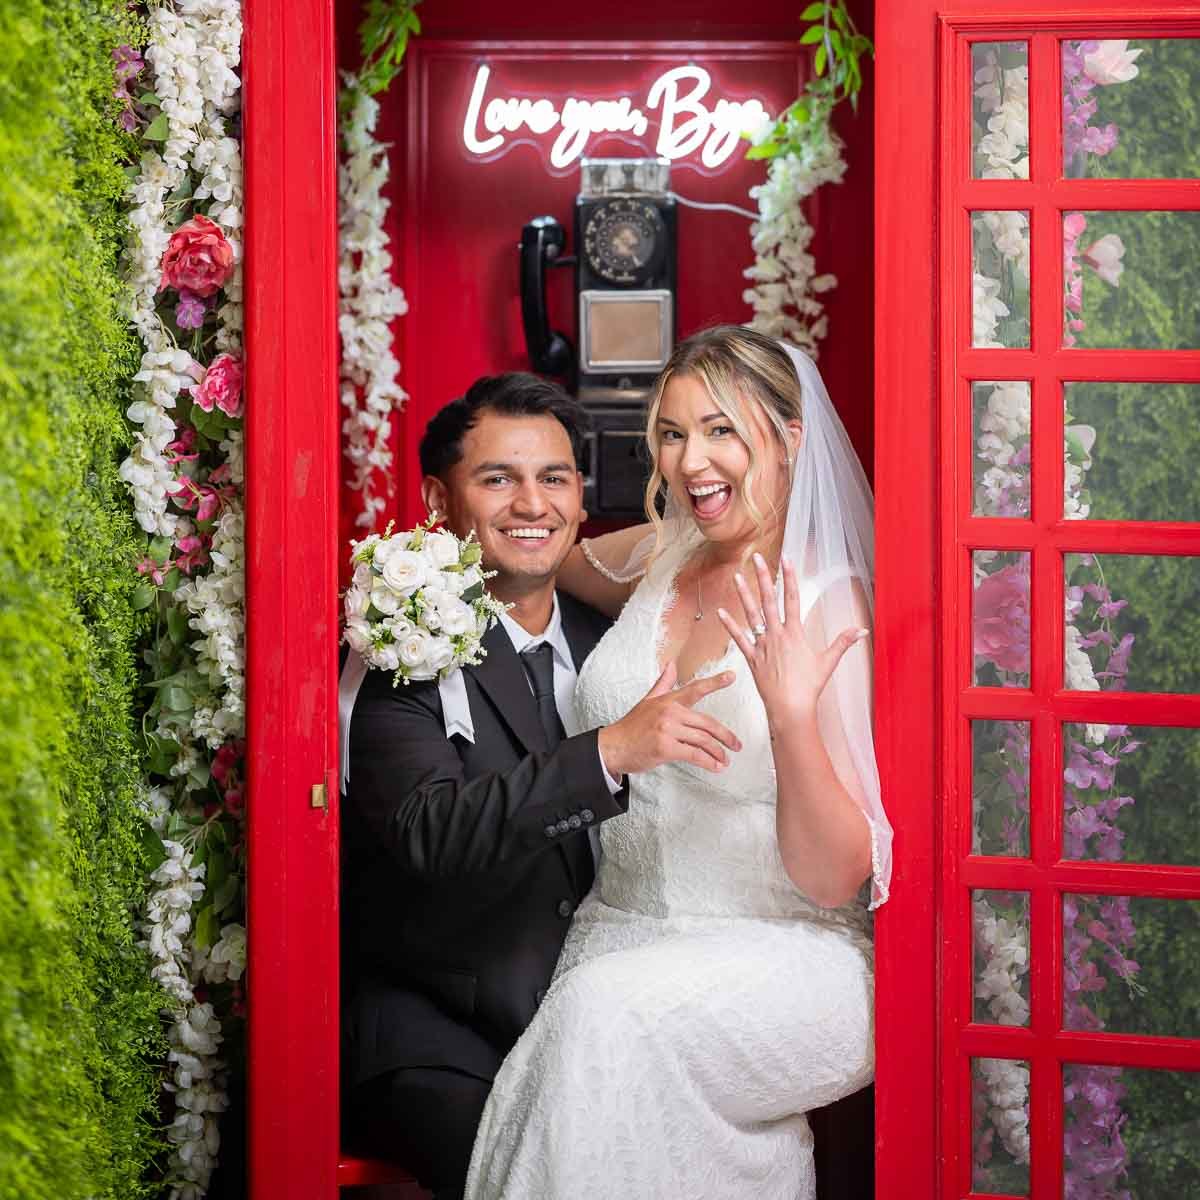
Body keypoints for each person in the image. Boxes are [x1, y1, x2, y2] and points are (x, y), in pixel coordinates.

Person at [464, 326, 893, 1200]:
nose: (690, 459)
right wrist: (412, 591)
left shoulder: (828, 598)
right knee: (613, 1050)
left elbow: (838, 876)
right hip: (619, 935)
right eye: (671, 432)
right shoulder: (662, 556)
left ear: (790, 437)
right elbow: (536, 546)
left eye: (721, 430)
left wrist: (790, 715)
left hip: (789, 953)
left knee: (603, 1021)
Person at [339, 372, 742, 1199]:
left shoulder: (618, 641)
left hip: (593, 1018)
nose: (533, 504)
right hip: (437, 1033)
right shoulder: (396, 642)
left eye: (554, 478)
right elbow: (428, 829)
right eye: (499, 479)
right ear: (438, 500)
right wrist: (608, 752)